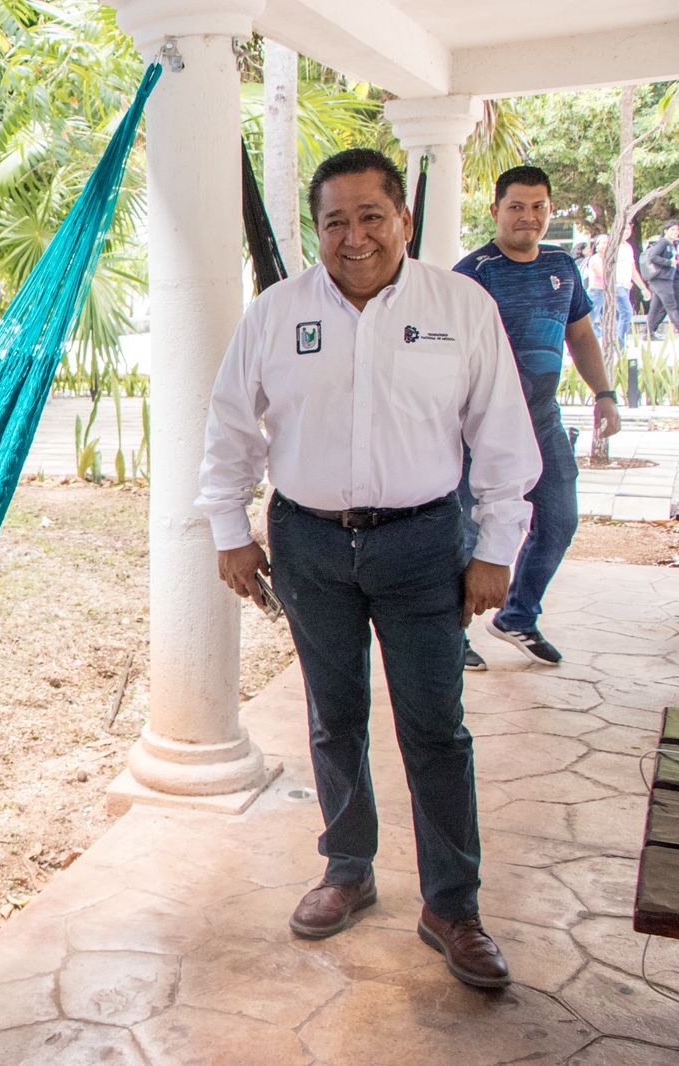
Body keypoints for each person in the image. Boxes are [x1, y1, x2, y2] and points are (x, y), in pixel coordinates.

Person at [198, 149, 540, 989]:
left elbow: (500, 431)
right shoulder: (276, 314)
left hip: (425, 545)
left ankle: (452, 905)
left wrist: (497, 548)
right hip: (309, 544)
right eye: (335, 221)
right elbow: (231, 429)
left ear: (405, 221)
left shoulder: (459, 306)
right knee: (333, 715)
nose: (354, 238)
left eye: (371, 217)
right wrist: (229, 529)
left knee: (434, 725)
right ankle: (347, 869)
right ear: (317, 229)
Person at [454, 166, 621, 669]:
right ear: (495, 211)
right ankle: (451, 633)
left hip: (543, 419)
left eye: (539, 207)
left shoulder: (563, 267)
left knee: (559, 521)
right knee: (464, 531)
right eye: (517, 207)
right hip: (478, 426)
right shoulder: (473, 273)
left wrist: (605, 394)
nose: (529, 217)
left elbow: (582, 336)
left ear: (550, 209)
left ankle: (518, 616)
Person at [642, 219, 679, 340]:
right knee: (671, 305)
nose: (675, 232)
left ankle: (648, 333)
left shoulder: (672, 244)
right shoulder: (663, 243)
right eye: (672, 229)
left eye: (677, 229)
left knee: (657, 307)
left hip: (666, 279)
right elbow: (653, 256)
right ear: (666, 231)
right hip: (661, 279)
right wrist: (669, 262)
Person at [586, 234, 610, 342]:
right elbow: (603, 275)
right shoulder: (595, 259)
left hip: (605, 291)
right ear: (596, 245)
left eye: (607, 242)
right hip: (596, 291)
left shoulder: (608, 259)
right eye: (603, 242)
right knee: (590, 319)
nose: (606, 245)